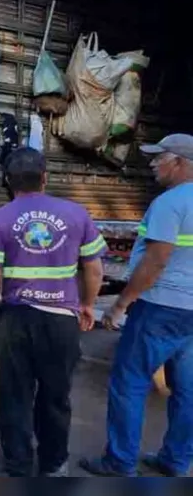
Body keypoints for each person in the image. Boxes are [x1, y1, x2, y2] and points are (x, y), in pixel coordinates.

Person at [0, 147, 105, 477]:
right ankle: (54, 465)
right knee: (55, 395)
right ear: (45, 177)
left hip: (17, 320)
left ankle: (17, 466)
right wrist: (88, 304)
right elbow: (94, 268)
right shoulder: (77, 214)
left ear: (8, 181)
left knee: (15, 394)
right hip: (62, 320)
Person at [80, 134, 193, 477]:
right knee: (188, 389)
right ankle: (175, 460)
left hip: (160, 307)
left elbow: (156, 261)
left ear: (181, 162)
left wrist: (121, 304)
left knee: (129, 382)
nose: (153, 163)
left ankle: (120, 461)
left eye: (160, 157)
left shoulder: (170, 203)